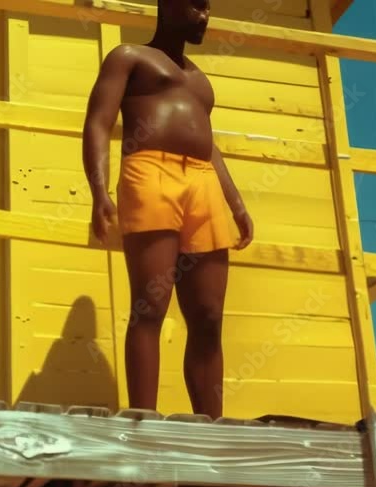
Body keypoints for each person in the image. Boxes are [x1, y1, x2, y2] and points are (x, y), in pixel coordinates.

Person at [81, 0, 254, 419]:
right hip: (149, 172)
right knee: (151, 304)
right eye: (196, 5)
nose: (204, 16)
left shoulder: (201, 81)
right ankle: (144, 421)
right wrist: (99, 190)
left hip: (203, 182)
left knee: (209, 316)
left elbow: (209, 147)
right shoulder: (129, 57)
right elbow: (98, 122)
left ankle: (213, 427)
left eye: (208, 8)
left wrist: (236, 204)